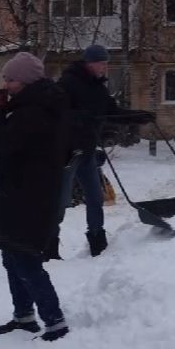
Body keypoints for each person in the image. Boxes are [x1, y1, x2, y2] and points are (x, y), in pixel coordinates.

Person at [0, 51, 71, 341]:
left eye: (11, 80)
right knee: (11, 254)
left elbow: (5, 144)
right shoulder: (31, 106)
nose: (6, 85)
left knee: (24, 258)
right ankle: (24, 315)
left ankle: (54, 321)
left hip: (29, 194)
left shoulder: (34, 111)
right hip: (19, 190)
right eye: (6, 79)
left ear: (27, 81)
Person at [57, 44, 154, 256]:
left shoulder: (99, 87)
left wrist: (138, 116)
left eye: (106, 63)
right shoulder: (68, 82)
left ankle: (97, 239)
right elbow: (57, 113)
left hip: (88, 150)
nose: (105, 68)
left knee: (95, 196)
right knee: (61, 200)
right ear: (90, 63)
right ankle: (49, 244)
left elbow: (111, 112)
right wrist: (80, 118)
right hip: (67, 151)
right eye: (101, 63)